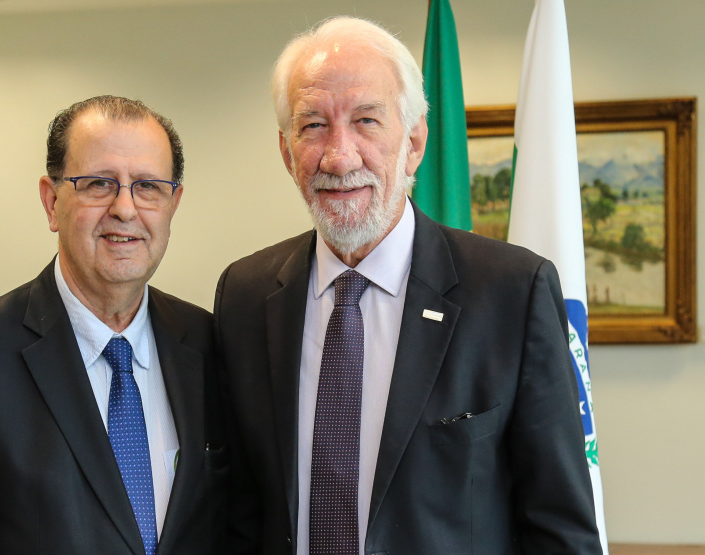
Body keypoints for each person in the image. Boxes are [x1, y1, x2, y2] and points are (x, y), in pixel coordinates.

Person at [215, 16, 601, 554]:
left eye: (367, 121)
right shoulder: (245, 294)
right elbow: (239, 508)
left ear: (414, 142)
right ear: (286, 152)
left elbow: (562, 529)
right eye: (313, 126)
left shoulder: (513, 291)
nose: (339, 156)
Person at [0, 96, 227, 555]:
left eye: (147, 186)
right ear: (51, 202)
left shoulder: (209, 345)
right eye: (98, 184)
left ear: (173, 204)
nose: (125, 209)